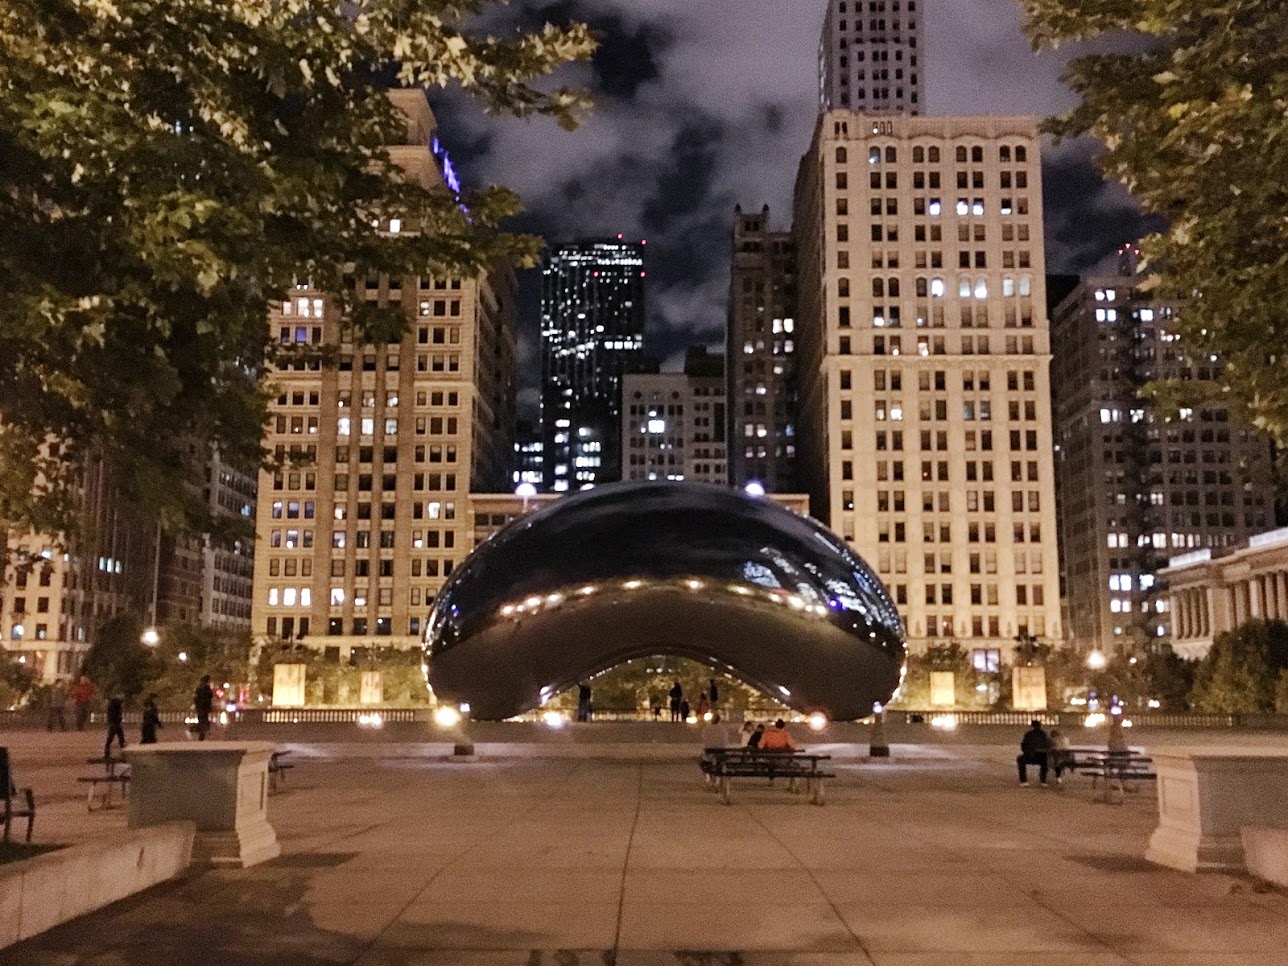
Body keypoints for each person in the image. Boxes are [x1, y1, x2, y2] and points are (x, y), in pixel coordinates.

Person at [1017, 719, 1053, 786]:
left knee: (1020, 759)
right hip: (1042, 758)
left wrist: (1026, 752)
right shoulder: (1044, 734)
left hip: (1030, 756)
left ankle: (1023, 781)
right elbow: (1048, 745)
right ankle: (1043, 781)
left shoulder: (1028, 734)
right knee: (1045, 761)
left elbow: (1023, 745)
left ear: (1032, 726)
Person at [104, 694, 126, 760]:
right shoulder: (116, 706)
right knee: (120, 739)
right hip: (116, 724)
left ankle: (107, 755)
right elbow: (116, 716)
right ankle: (124, 754)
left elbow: (110, 716)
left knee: (110, 740)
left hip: (114, 724)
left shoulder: (112, 706)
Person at [193, 675, 215, 741]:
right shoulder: (207, 689)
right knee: (204, 720)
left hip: (201, 707)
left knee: (201, 720)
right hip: (205, 707)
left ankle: (201, 732)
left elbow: (196, 698)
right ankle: (202, 732)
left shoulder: (199, 688)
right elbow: (210, 697)